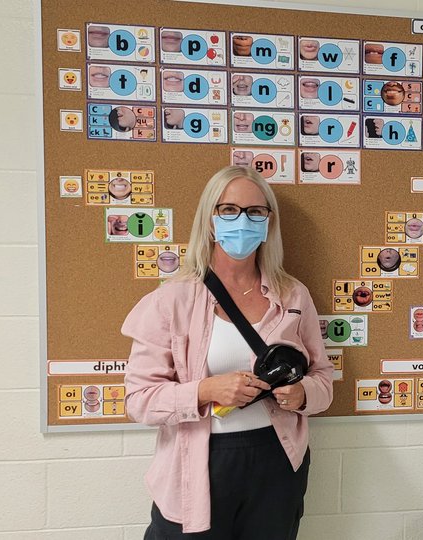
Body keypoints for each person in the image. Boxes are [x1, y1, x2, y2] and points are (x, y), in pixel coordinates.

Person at [123, 166, 335, 537]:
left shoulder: (293, 295)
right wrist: (206, 390)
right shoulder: (172, 300)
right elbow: (138, 400)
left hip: (277, 459)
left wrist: (303, 394)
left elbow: (323, 378)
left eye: (256, 211)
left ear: (269, 222)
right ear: (210, 219)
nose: (243, 220)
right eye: (229, 210)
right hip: (199, 460)